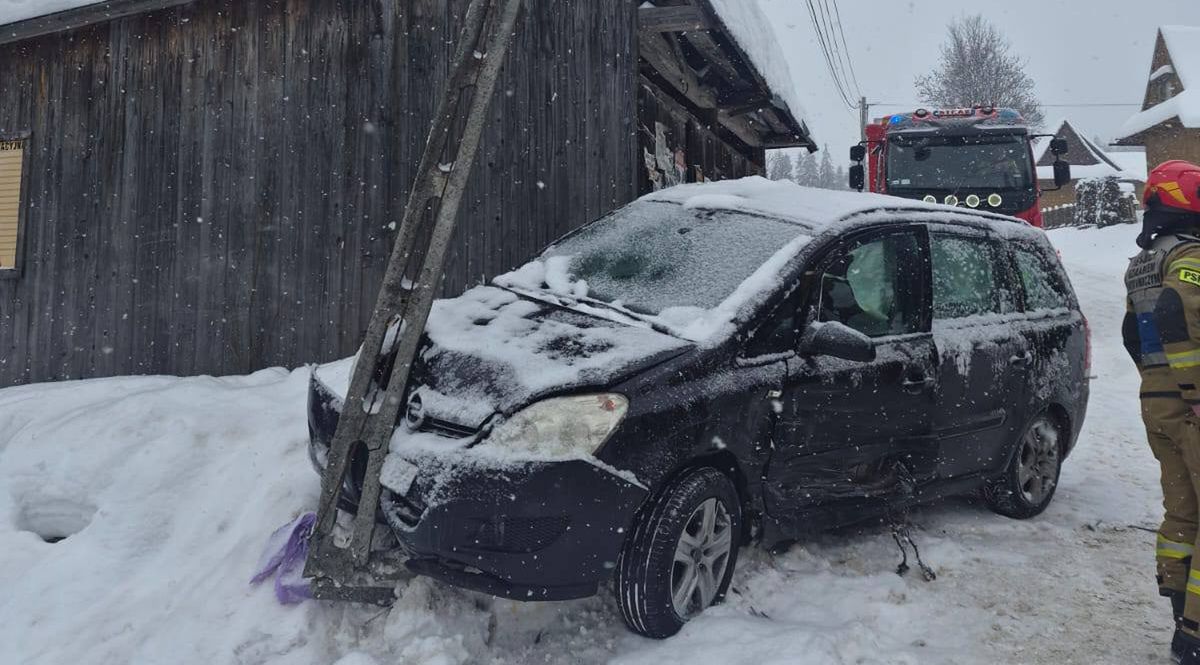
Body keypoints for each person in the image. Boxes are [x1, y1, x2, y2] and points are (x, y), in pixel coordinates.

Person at [1122, 160, 1200, 662]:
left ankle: (1181, 623)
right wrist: (1193, 389)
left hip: (1158, 399)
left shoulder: (1144, 262)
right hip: (1191, 401)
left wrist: (1159, 383)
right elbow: (1180, 312)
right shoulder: (1191, 254)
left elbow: (1134, 333)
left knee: (1183, 512)